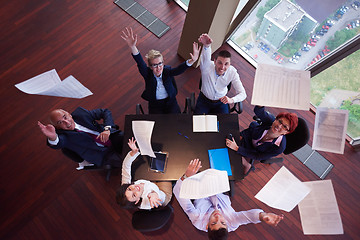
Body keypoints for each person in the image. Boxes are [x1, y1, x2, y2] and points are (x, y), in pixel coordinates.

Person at [173, 159, 284, 239]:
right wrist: (263, 216)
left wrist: (186, 177)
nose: (218, 217)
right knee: (222, 159)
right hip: (219, 188)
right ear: (227, 226)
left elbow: (181, 196)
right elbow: (248, 217)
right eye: (222, 222)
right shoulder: (232, 223)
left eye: (213, 223)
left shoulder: (197, 220)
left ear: (207, 226)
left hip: (199, 189)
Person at [121, 27, 200, 114]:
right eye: (155, 65)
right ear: (150, 67)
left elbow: (178, 70)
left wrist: (192, 60)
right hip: (155, 104)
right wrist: (133, 47)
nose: (158, 67)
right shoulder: (147, 74)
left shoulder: (167, 71)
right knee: (156, 124)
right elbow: (140, 62)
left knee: (176, 121)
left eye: (160, 64)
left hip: (170, 102)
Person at [38, 107, 124, 169]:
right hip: (102, 154)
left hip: (110, 137)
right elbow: (58, 142)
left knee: (132, 139)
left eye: (65, 117)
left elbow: (104, 112)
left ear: (69, 114)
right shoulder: (64, 136)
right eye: (60, 122)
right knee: (128, 162)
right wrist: (53, 137)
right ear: (57, 127)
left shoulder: (81, 114)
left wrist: (107, 129)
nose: (67, 122)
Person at [226, 106, 298, 176]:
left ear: (286, 132)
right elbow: (259, 111)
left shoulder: (279, 148)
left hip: (255, 151)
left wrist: (237, 148)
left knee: (233, 155)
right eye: (280, 121)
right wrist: (260, 105)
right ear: (275, 119)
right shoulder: (270, 120)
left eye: (284, 127)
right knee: (225, 144)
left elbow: (258, 156)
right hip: (249, 137)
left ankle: (247, 165)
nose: (279, 126)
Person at [194, 33, 246, 114]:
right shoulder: (206, 66)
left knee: (223, 124)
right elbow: (206, 56)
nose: (222, 67)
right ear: (214, 61)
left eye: (226, 64)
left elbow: (243, 94)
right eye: (219, 63)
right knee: (198, 122)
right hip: (204, 101)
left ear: (230, 64)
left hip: (221, 102)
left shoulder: (232, 72)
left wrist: (231, 100)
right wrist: (207, 46)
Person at [116, 138, 172, 210]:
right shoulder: (147, 203)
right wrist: (153, 194)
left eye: (129, 189)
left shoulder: (126, 186)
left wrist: (133, 152)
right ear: (137, 201)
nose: (135, 189)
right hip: (163, 192)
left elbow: (125, 166)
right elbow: (158, 195)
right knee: (168, 171)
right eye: (134, 195)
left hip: (151, 181)